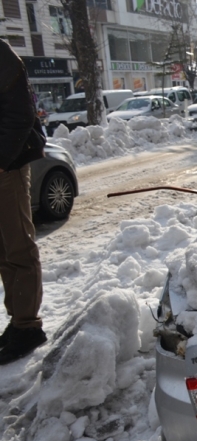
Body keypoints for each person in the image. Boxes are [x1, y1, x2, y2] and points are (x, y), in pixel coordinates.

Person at [0, 40, 48, 365]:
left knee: (19, 247)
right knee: (3, 250)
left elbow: (20, 114)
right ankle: (17, 322)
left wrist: (1, 161)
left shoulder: (2, 56)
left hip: (8, 166)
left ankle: (28, 326)